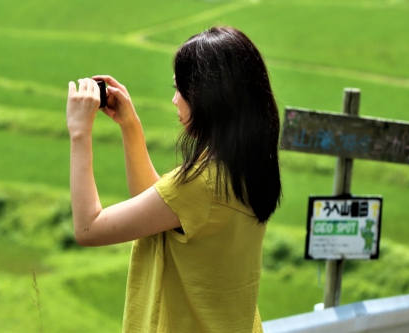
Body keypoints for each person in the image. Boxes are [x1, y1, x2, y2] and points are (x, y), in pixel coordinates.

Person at [66, 26, 282, 333]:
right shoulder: (242, 168)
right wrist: (130, 125)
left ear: (211, 100)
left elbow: (88, 229)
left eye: (181, 90)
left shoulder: (202, 183)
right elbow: (161, 207)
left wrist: (79, 132)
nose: (175, 101)